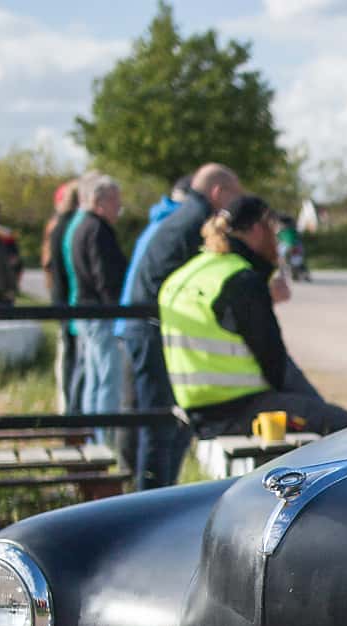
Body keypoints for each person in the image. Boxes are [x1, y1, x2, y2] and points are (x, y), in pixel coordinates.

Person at [158, 195, 347, 437]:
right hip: (242, 408)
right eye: (272, 230)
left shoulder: (185, 275)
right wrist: (316, 405)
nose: (276, 241)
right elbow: (275, 365)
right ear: (256, 229)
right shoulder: (241, 279)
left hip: (197, 410)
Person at [119, 162, 245, 485]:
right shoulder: (196, 222)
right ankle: (152, 499)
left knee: (164, 425)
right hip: (151, 331)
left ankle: (155, 493)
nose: (235, 203)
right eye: (234, 194)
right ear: (218, 191)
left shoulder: (184, 216)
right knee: (160, 426)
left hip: (147, 327)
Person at [114, 178, 187, 489]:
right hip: (144, 330)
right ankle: (149, 490)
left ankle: (131, 484)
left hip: (128, 327)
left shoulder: (157, 223)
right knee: (156, 420)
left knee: (136, 413)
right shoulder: (175, 229)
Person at [65, 172, 129, 467]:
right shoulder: (98, 230)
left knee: (94, 378)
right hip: (101, 313)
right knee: (107, 379)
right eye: (116, 201)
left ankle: (93, 438)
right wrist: (117, 311)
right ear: (100, 201)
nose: (119, 208)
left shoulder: (81, 226)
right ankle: (105, 442)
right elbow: (105, 274)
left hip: (86, 311)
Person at [42, 180, 81, 412]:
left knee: (68, 356)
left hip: (61, 297)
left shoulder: (58, 225)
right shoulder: (68, 226)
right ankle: (70, 410)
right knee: (70, 358)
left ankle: (67, 408)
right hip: (68, 300)